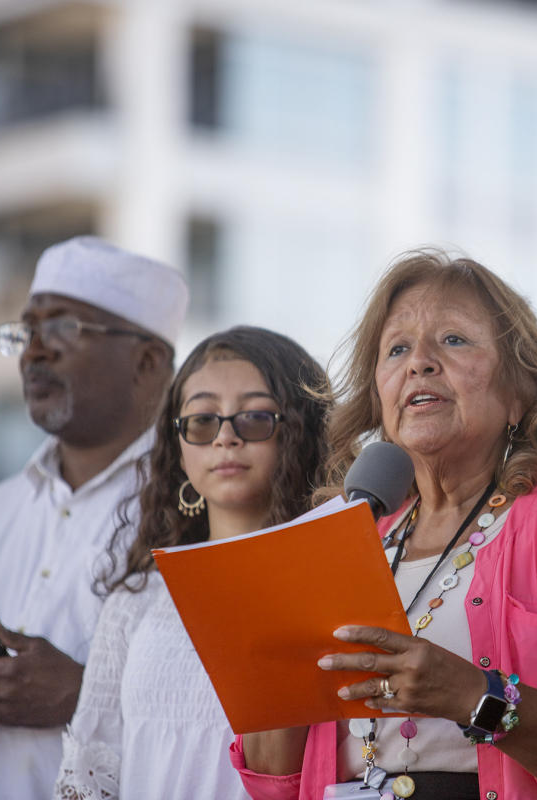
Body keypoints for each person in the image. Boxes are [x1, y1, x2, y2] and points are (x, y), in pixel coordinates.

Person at [230, 250, 537, 800]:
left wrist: (474, 696)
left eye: (454, 340)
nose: (419, 362)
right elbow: (274, 780)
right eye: (397, 349)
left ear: (517, 394)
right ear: (380, 398)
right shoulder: (347, 542)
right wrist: (268, 660)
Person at [0, 236, 189, 800]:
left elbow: (226, 726)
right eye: (27, 329)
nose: (33, 350)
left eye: (64, 327)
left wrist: (82, 696)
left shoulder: (193, 514)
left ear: (147, 361)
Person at [52, 326, 330, 799]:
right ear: (178, 448)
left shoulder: (331, 584)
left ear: (299, 431)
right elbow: (90, 772)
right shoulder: (137, 599)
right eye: (202, 421)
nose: (225, 437)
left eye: (255, 417)